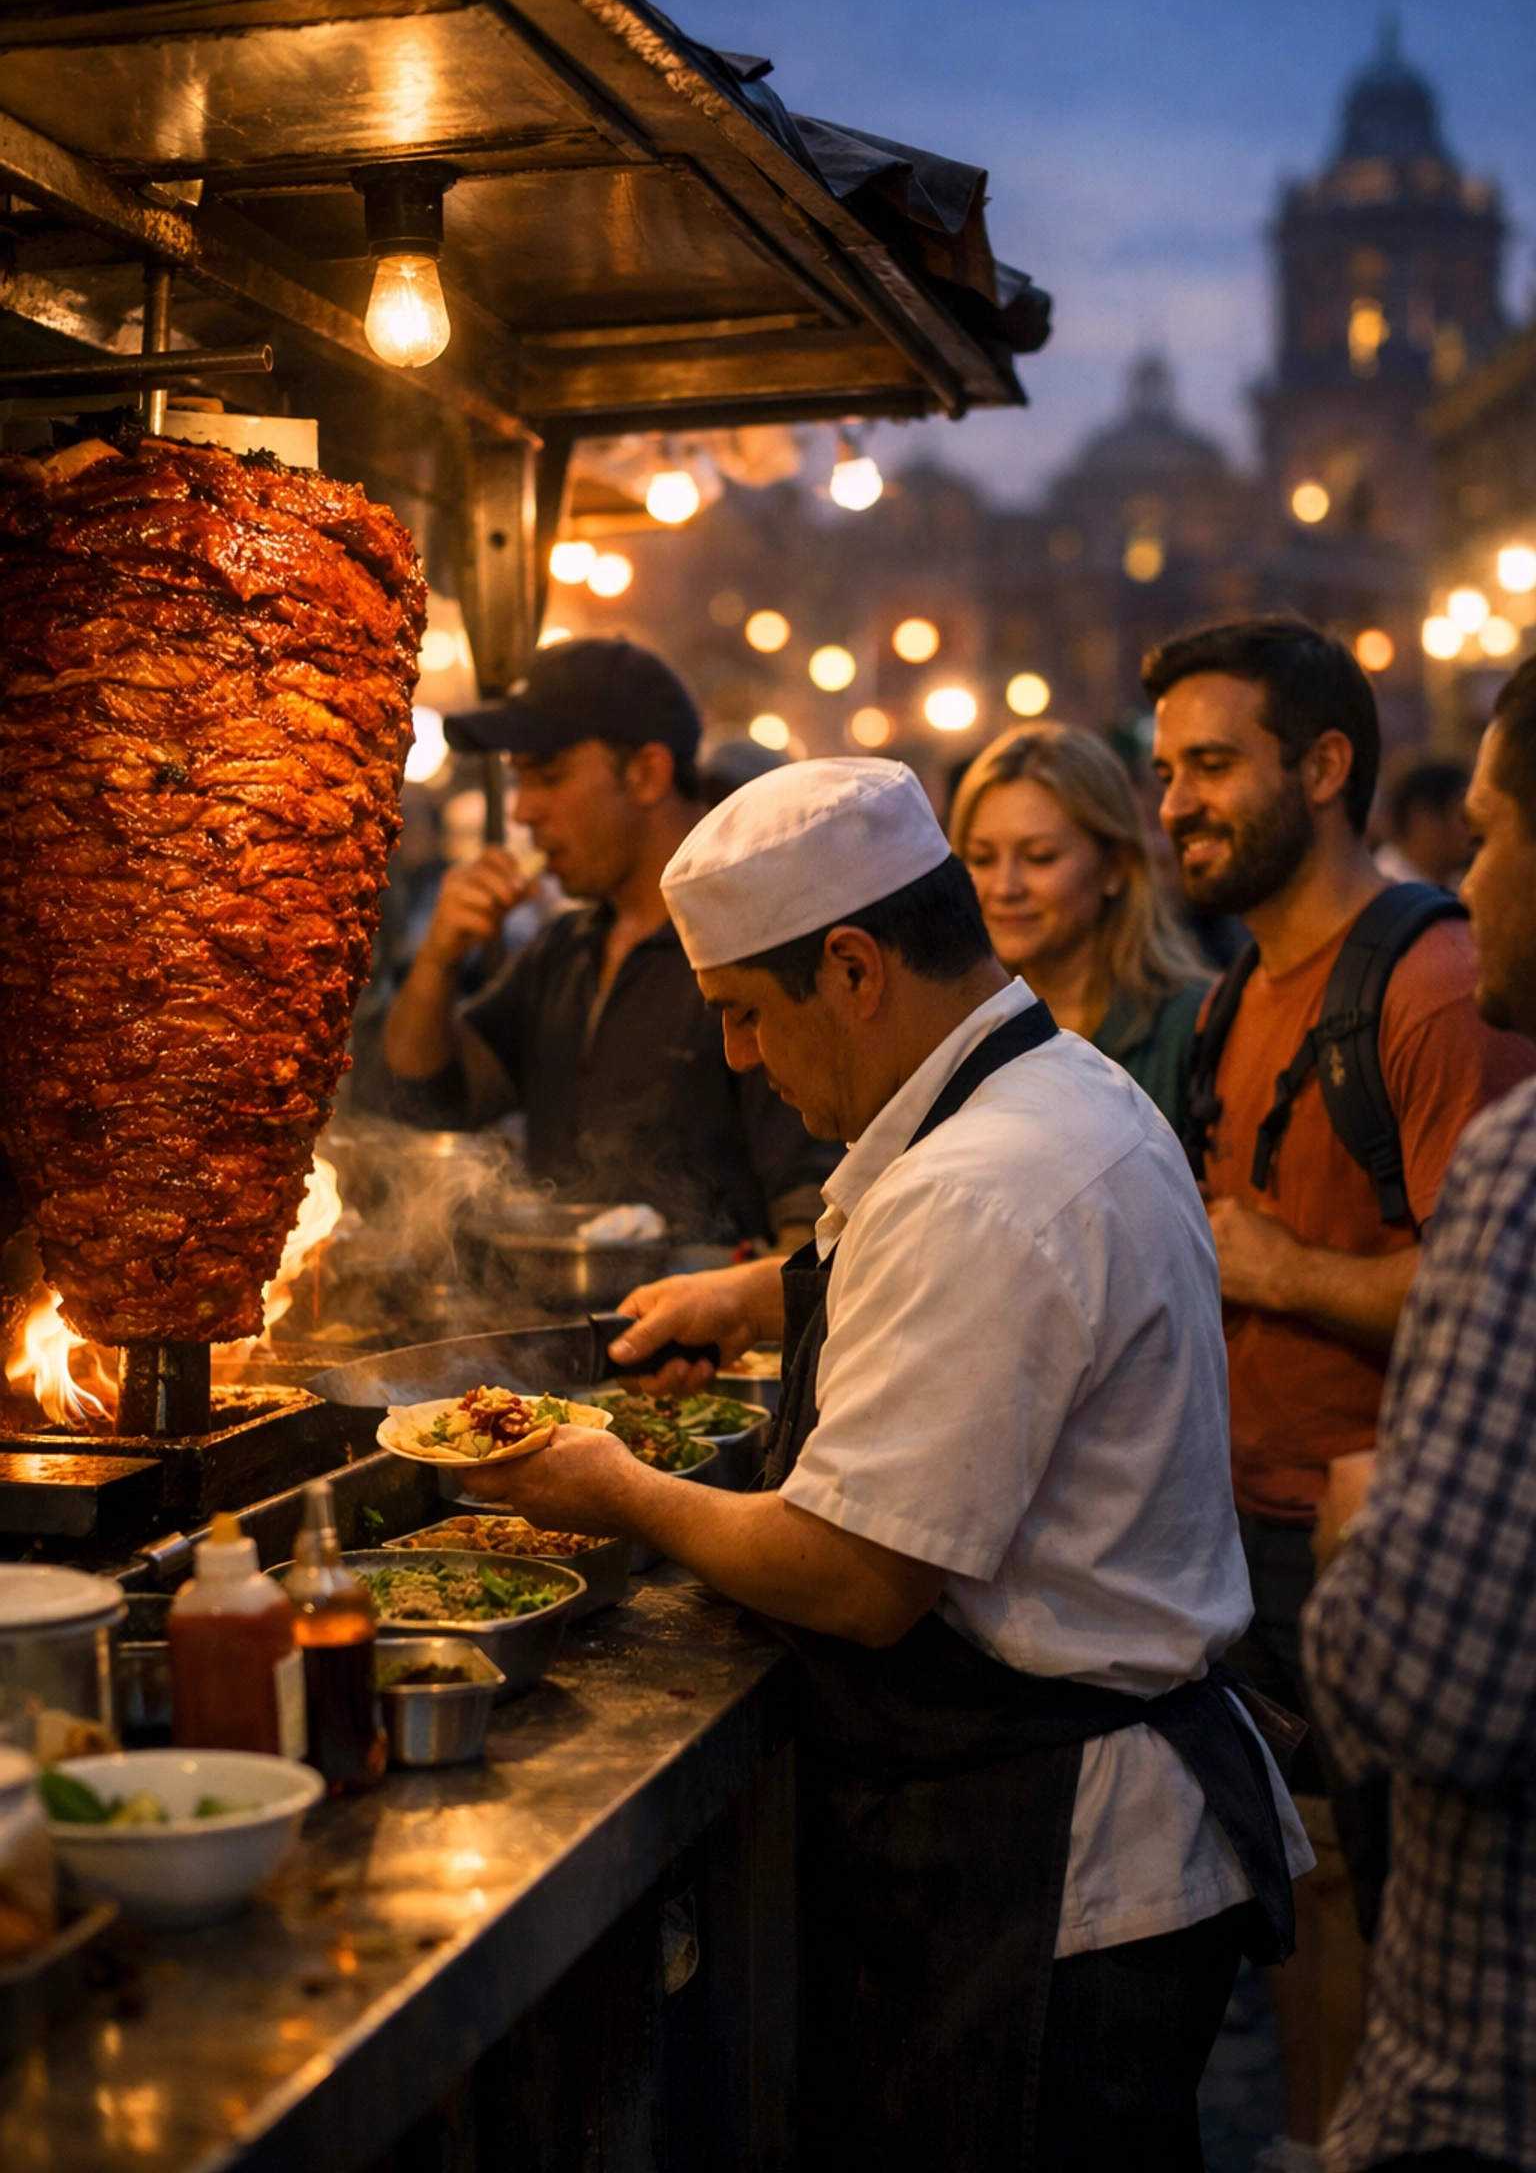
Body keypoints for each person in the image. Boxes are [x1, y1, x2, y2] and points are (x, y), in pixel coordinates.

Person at [460, 755, 1311, 2173]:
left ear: (853, 967)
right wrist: (752, 1297)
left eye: (743, 1015)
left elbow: (855, 1580)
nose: (738, 1057)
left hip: (1053, 1874)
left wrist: (613, 1486)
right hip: (1055, 1841)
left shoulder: (983, 1187)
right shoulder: (1047, 1090)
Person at [1144, 615, 1536, 2170]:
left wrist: (1284, 1271)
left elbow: (1497, 1295)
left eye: (1215, 764)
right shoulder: (1243, 991)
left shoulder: (1432, 986)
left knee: (1391, 1912)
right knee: (1306, 1894)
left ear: (1325, 769)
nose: (1178, 801)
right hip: (1259, 1535)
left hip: (1384, 1555)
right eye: (1166, 768)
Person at [1302, 654, 1536, 2173]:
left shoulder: (1520, 1170)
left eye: (1502, 827)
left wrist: (1362, 1525)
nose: (1469, 864)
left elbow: (1425, 1689)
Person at [362, 637, 832, 1246]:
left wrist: (731, 1305)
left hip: (711, 1338)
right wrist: (438, 959)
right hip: (558, 1329)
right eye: (519, 780)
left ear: (647, 772)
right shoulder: (566, 948)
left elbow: (814, 1233)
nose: (525, 811)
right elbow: (420, 1094)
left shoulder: (756, 947)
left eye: (548, 776)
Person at [950, 722, 1209, 1128]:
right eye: (981, 859)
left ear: (1115, 866)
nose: (1005, 887)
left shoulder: (1195, 1025)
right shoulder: (951, 1032)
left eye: (1040, 857)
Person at [1372, 758, 1474, 888]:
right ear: (1421, 817)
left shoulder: (1459, 888)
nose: (1473, 831)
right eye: (1464, 818)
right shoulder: (1381, 890)